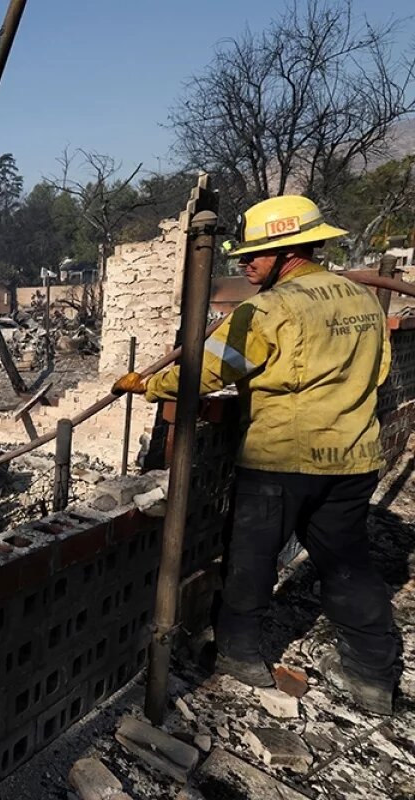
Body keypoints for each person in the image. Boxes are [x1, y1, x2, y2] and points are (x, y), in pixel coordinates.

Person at [113, 195, 398, 714]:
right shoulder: (361, 299)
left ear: (290, 251)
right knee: (347, 565)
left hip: (280, 458)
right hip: (353, 457)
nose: (245, 264)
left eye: (255, 254)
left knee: (251, 559)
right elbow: (379, 373)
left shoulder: (268, 309)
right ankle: (373, 676)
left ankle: (239, 655)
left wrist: (151, 385)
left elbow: (207, 371)